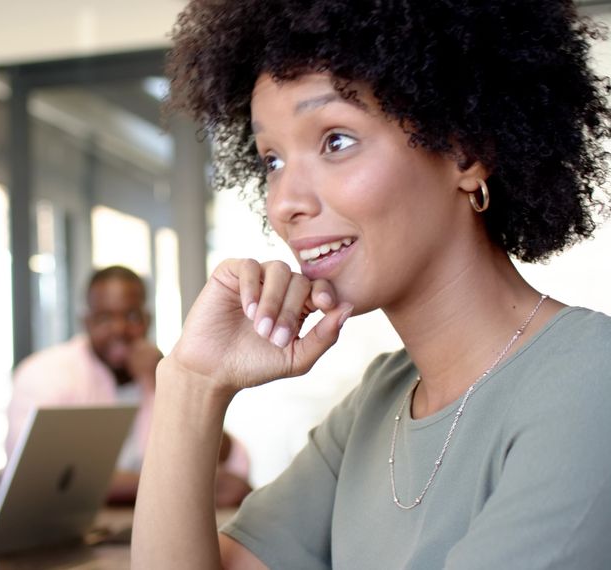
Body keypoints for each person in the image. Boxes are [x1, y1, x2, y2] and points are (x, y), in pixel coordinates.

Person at [132, 0, 611, 568]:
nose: (284, 204)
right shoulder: (379, 399)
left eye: (336, 140)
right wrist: (191, 381)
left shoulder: (591, 382)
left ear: (466, 151)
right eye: (272, 160)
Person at [6, 265, 252, 506]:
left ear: (148, 320)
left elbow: (224, 455)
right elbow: (47, 479)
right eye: (104, 318)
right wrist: (188, 484)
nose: (120, 329)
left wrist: (168, 383)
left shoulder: (159, 372)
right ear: (87, 322)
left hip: (135, 522)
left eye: (132, 316)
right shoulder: (46, 375)